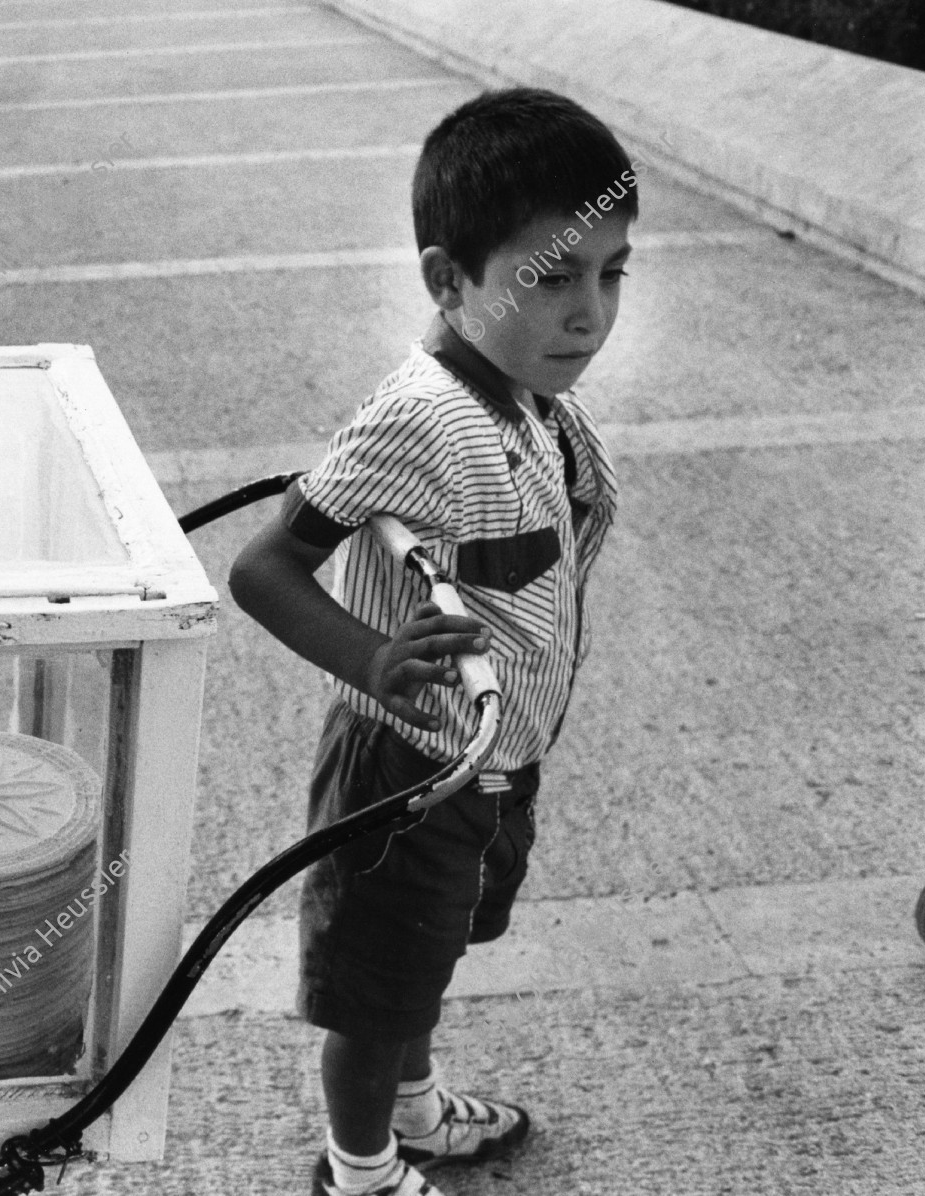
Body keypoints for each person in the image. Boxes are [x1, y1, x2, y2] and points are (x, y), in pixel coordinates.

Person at [228, 87, 632, 1196]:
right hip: (408, 771)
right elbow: (263, 567)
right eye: (550, 277)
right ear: (449, 280)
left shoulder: (529, 399)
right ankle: (360, 1172)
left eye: (611, 272)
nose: (590, 311)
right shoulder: (427, 414)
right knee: (376, 991)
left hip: (487, 762)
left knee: (420, 964)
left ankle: (411, 1109)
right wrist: (369, 656)